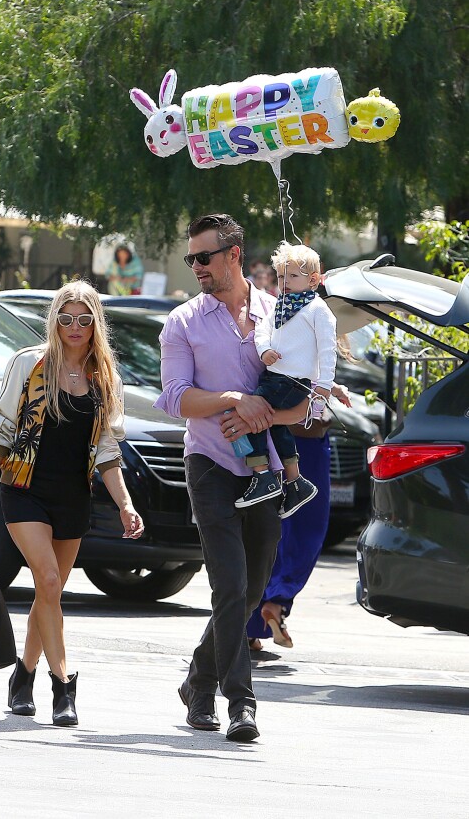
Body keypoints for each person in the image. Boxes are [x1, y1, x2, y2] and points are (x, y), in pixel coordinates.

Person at [154, 214, 308, 743]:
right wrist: (234, 400)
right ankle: (241, 702)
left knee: (252, 588)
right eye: (191, 258)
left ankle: (197, 681)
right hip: (210, 464)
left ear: (234, 254)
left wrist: (261, 414)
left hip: (266, 470)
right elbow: (175, 397)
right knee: (230, 584)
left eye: (204, 257)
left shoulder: (281, 313)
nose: (196, 266)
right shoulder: (183, 321)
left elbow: (301, 402)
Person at [0, 280, 144, 727]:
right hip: (23, 488)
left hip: (72, 497)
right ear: (55, 321)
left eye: (84, 319)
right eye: (66, 318)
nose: (74, 326)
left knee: (50, 593)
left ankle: (22, 676)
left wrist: (125, 504)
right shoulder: (29, 364)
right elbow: (1, 429)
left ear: (95, 322)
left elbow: (108, 450)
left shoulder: (106, 377)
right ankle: (63, 685)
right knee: (47, 579)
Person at [234, 241, 337, 518]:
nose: (285, 282)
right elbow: (261, 331)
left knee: (248, 414)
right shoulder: (281, 304)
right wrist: (264, 350)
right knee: (276, 427)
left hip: (293, 381)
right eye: (281, 276)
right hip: (273, 376)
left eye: (292, 276)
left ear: (313, 280)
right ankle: (295, 482)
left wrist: (325, 386)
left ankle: (262, 475)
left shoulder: (317, 309)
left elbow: (328, 350)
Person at [247, 385, 351, 650]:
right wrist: (331, 387)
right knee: (305, 529)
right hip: (299, 434)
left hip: (279, 434)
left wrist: (331, 386)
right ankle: (275, 604)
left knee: (270, 526)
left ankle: (251, 624)